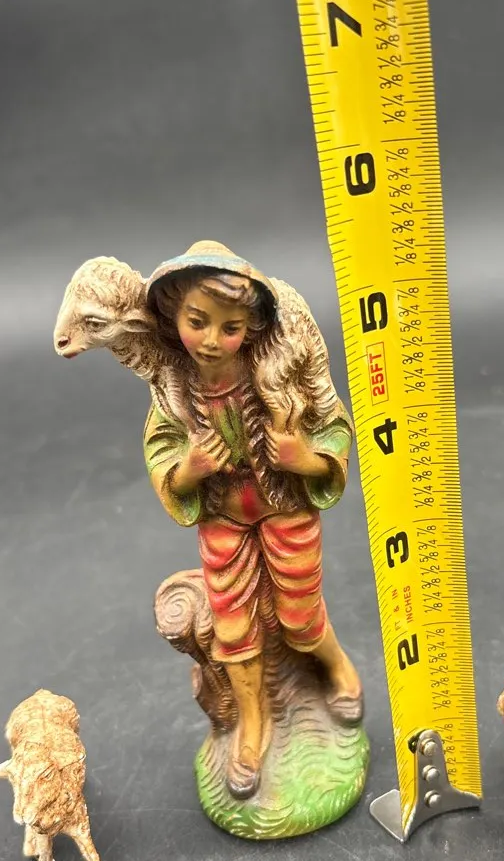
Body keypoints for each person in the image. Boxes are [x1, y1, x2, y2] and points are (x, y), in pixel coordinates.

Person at [142, 241, 363, 799]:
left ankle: (338, 668)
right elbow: (162, 452)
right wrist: (190, 469)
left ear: (253, 328)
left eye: (230, 327)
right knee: (232, 628)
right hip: (224, 520)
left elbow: (334, 427)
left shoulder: (277, 376)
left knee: (300, 615)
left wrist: (303, 458)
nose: (211, 340)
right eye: (197, 322)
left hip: (284, 510)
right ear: (173, 314)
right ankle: (252, 725)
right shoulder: (176, 390)